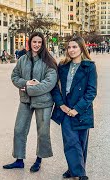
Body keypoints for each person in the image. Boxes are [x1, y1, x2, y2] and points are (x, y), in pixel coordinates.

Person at [3, 32, 58, 172]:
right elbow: (14, 76)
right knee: (19, 129)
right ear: (30, 43)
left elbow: (49, 83)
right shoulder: (23, 59)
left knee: (43, 132)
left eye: (39, 42)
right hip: (25, 101)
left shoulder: (49, 60)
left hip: (44, 102)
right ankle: (19, 159)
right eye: (34, 42)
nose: (37, 45)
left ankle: (39, 159)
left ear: (43, 43)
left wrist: (28, 89)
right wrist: (26, 82)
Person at [51, 36, 97, 180]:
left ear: (81, 48)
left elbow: (91, 91)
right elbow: (55, 88)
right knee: (71, 142)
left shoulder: (89, 66)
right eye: (69, 47)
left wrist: (77, 109)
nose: (71, 50)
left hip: (82, 111)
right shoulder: (63, 66)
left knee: (81, 144)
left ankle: (73, 169)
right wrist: (61, 105)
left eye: (74, 47)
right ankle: (80, 175)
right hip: (65, 111)